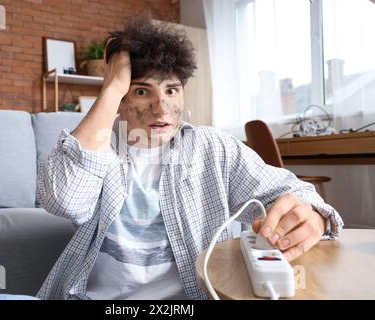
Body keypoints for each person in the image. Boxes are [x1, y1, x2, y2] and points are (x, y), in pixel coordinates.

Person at [35, 18, 343, 300]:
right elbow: (65, 201)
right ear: (122, 96)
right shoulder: (100, 144)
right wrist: (112, 87)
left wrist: (314, 214)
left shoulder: (213, 147)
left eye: (171, 90)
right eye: (142, 92)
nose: (162, 108)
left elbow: (292, 191)